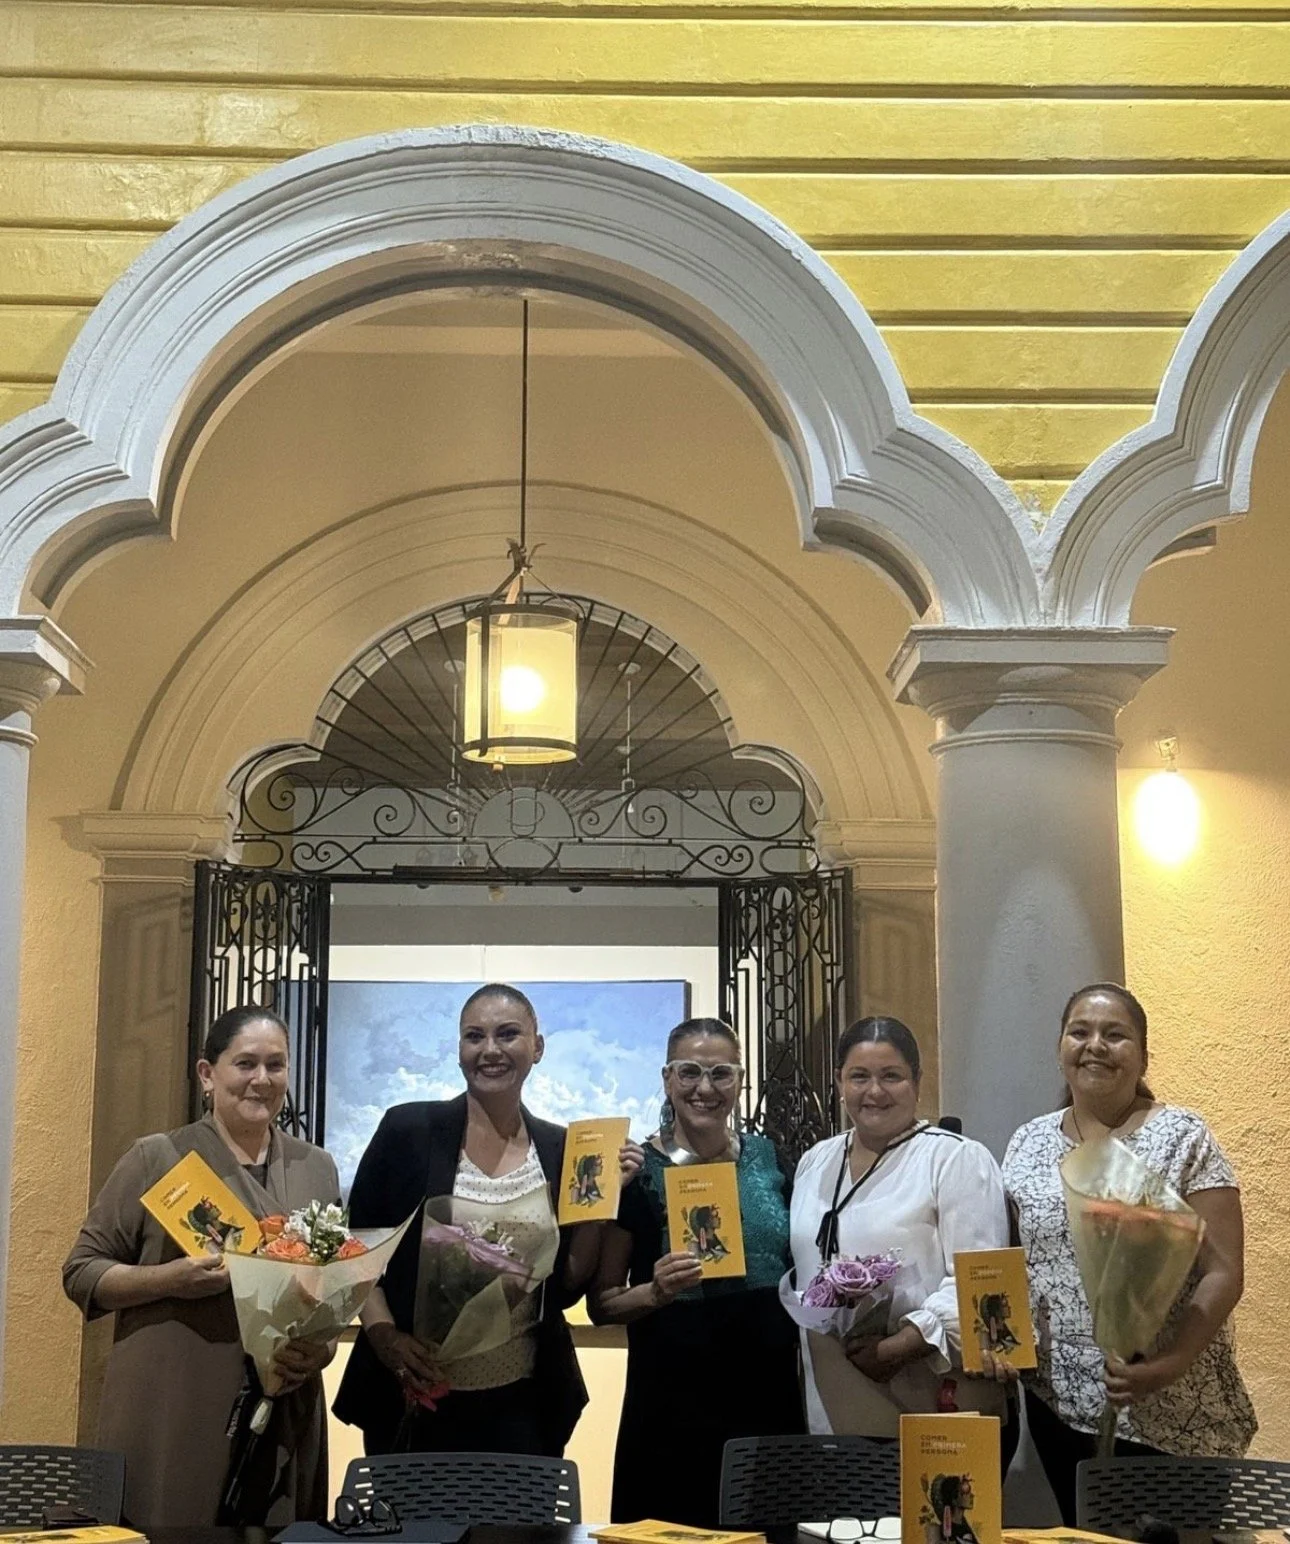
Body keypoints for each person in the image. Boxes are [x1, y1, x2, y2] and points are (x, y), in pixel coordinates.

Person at [333, 982, 640, 1456]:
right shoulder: (407, 1130)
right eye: (474, 1036)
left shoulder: (562, 1150)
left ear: (537, 1047)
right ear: (459, 1049)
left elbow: (564, 1287)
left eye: (508, 1034)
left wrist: (601, 1204)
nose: (490, 1050)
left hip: (522, 1402)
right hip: (413, 1393)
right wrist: (384, 1335)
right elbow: (357, 1245)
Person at [63, 1006, 340, 1529]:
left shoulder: (315, 1167)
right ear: (207, 1074)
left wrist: (320, 1348)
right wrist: (171, 1280)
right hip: (176, 1400)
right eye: (245, 1064)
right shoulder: (158, 1158)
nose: (262, 1080)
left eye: (276, 1065)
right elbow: (81, 1271)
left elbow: (325, 1287)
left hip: (283, 1401)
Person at [1002, 982, 1256, 1525]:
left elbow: (1223, 1271)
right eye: (1081, 1032)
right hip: (1058, 1403)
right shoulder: (1027, 1142)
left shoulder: (1182, 1136)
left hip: (1172, 1403)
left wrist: (1168, 1365)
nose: (1096, 1045)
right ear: (1060, 1048)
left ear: (1142, 1055)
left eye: (1115, 1035)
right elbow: (1013, 1262)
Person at [590, 1016, 803, 1526]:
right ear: (666, 1079)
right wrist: (656, 1291)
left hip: (767, 1399)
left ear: (740, 1080)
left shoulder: (773, 1160)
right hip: (672, 1405)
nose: (704, 1088)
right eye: (689, 1072)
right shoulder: (637, 1174)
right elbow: (601, 1306)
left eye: (720, 1073)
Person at [789, 1017, 1011, 1439]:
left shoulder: (955, 1159)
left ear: (917, 1082)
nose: (874, 1091)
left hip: (922, 1394)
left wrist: (900, 1347)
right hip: (829, 1400)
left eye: (891, 1076)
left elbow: (978, 1282)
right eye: (859, 1076)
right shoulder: (815, 1161)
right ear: (839, 1082)